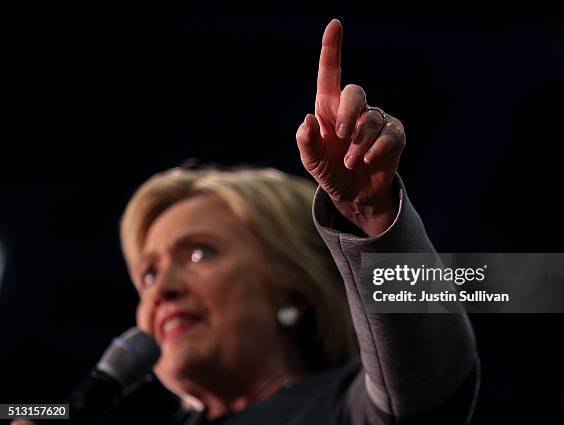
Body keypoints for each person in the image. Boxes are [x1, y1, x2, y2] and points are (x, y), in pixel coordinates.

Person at [12, 18, 479, 425]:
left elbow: (427, 375)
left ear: (292, 288)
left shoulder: (348, 412)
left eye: (200, 252)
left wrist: (368, 213)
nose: (161, 289)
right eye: (148, 273)